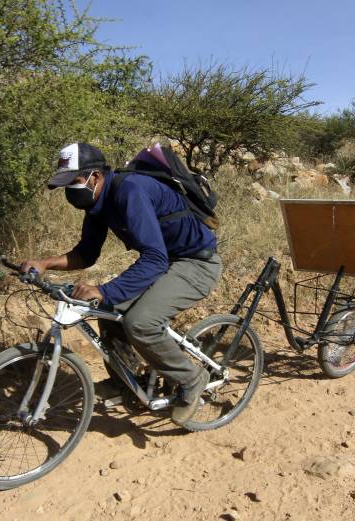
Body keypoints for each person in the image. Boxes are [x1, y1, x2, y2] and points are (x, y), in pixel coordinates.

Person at [20, 142, 221, 425]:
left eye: (73, 181)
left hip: (196, 262)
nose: (69, 190)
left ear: (96, 176)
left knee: (140, 322)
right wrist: (44, 264)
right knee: (107, 311)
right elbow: (86, 254)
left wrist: (104, 290)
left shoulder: (130, 191)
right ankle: (124, 384)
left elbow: (154, 258)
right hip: (166, 259)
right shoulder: (97, 204)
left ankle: (192, 379)